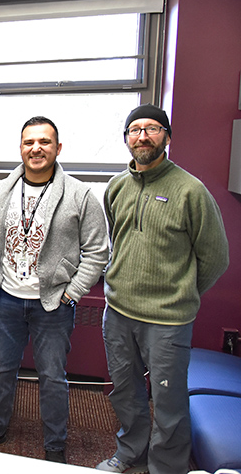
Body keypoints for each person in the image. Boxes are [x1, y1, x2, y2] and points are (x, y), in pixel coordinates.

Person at [97, 104, 229, 474]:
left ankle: (167, 467)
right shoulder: (117, 186)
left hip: (168, 320)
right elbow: (117, 238)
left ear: (167, 137)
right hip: (118, 312)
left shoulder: (190, 191)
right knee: (125, 391)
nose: (143, 136)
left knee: (169, 399)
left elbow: (216, 258)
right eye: (135, 129)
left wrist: (180, 291)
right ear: (126, 140)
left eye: (152, 128)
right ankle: (130, 451)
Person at [0, 116, 109, 463]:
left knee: (52, 376)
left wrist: (73, 291)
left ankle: (55, 444)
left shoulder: (80, 195)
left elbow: (97, 251)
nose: (36, 148)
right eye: (29, 142)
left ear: (57, 148)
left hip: (54, 304)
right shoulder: (0, 192)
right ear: (20, 148)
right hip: (6, 300)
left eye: (44, 142)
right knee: (2, 369)